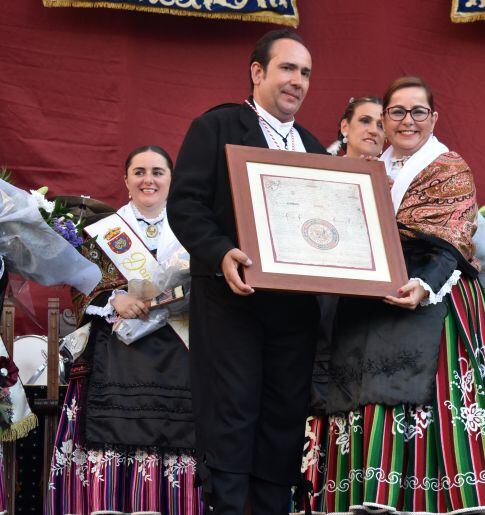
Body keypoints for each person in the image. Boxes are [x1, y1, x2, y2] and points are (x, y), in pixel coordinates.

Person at [318, 76, 485, 514]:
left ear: (434, 118)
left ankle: (440, 498)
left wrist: (425, 285)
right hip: (377, 298)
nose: (407, 121)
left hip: (438, 295)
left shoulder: (449, 167)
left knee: (429, 393)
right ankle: (376, 492)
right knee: (371, 386)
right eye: (397, 112)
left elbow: (452, 243)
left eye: (418, 112)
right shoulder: (372, 167)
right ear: (384, 118)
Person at [166, 29, 328, 514]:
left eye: (305, 73)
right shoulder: (216, 127)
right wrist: (220, 253)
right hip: (231, 299)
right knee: (231, 415)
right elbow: (187, 205)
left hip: (295, 310)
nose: (297, 81)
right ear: (257, 72)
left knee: (283, 417)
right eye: (287, 68)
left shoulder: (315, 148)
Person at [46, 145, 204, 515]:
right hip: (117, 352)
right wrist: (114, 299)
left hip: (178, 351)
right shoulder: (103, 231)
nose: (148, 179)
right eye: (139, 172)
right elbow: (82, 284)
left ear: (171, 179)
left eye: (158, 172)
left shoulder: (192, 229)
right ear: (126, 180)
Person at [300, 95, 386, 512]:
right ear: (344, 126)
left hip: (375, 314)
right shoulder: (317, 175)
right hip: (320, 306)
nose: (374, 130)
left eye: (381, 124)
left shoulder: (399, 182)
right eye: (365, 121)